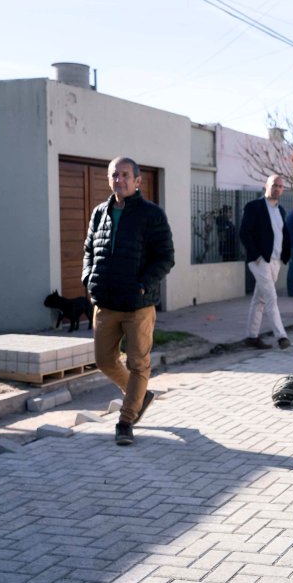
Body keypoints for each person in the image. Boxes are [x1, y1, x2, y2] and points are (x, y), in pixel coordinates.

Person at [83, 157, 174, 446]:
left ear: (137, 180)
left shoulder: (151, 215)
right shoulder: (100, 212)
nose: (118, 180)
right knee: (104, 360)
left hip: (137, 304)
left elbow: (165, 257)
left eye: (124, 175)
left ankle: (126, 421)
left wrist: (143, 287)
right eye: (114, 175)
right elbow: (88, 248)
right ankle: (140, 395)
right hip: (106, 302)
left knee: (138, 365)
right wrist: (88, 278)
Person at [239, 175, 292, 350]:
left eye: (280, 186)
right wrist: (256, 256)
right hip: (260, 260)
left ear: (283, 190)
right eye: (274, 185)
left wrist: (284, 255)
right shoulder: (254, 207)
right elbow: (244, 233)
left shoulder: (280, 210)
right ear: (266, 186)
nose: (277, 188)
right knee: (271, 297)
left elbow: (282, 234)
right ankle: (281, 336)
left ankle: (251, 336)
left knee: (259, 299)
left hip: (275, 261)